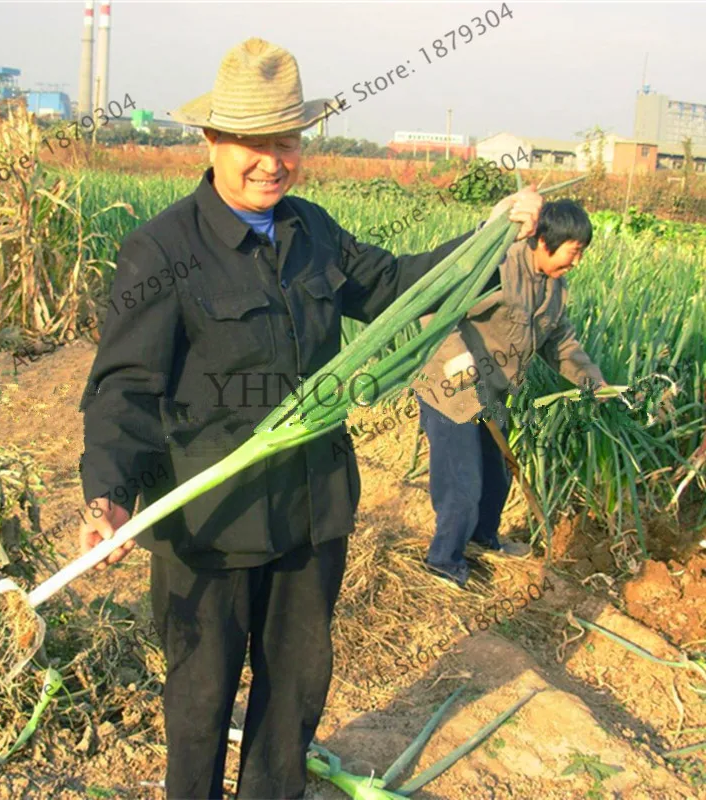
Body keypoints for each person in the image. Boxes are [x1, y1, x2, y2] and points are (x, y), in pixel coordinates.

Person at [76, 37, 541, 800]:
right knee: (199, 702)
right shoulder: (162, 250)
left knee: (293, 693)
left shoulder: (313, 230)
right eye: (252, 143)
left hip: (309, 511)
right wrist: (106, 496)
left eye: (285, 142)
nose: (271, 161)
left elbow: (396, 284)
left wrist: (490, 235)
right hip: (209, 520)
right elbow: (123, 388)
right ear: (213, 141)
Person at [413, 199, 607, 589]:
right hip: (451, 389)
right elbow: (434, 307)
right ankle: (443, 563)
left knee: (496, 478)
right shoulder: (497, 267)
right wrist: (456, 360)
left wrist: (593, 383)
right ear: (543, 241)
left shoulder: (554, 287)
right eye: (573, 252)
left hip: (494, 393)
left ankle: (483, 540)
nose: (576, 261)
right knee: (462, 483)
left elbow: (561, 343)